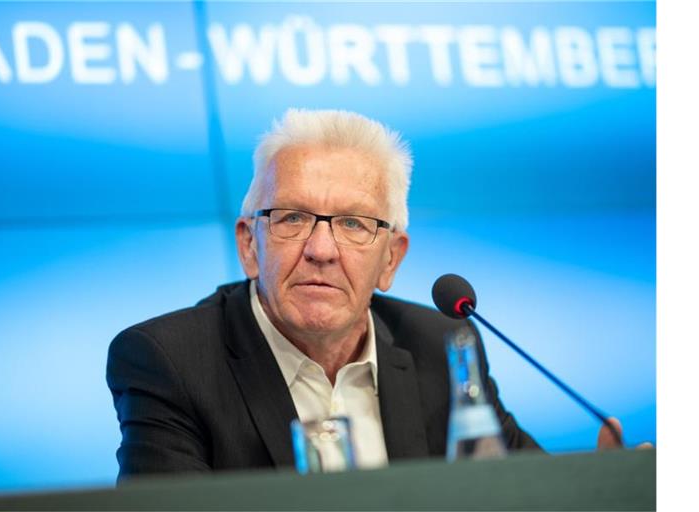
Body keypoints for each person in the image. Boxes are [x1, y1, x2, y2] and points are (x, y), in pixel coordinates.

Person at [106, 109, 618, 480]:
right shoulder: (169, 362)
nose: (321, 249)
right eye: (293, 218)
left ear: (391, 258)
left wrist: (606, 489)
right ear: (249, 245)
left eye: (354, 223)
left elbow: (519, 491)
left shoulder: (442, 347)